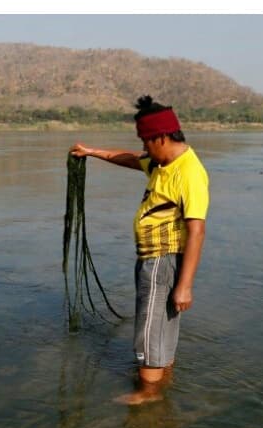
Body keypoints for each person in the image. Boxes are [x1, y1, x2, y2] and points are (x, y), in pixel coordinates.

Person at [70, 95, 209, 405]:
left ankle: (148, 394)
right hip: (154, 259)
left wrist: (185, 286)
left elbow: (197, 230)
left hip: (162, 261)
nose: (144, 148)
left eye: (147, 142)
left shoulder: (189, 172)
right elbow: (131, 159)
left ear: (162, 137)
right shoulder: (162, 163)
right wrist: (92, 153)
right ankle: (164, 380)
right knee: (163, 324)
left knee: (148, 326)